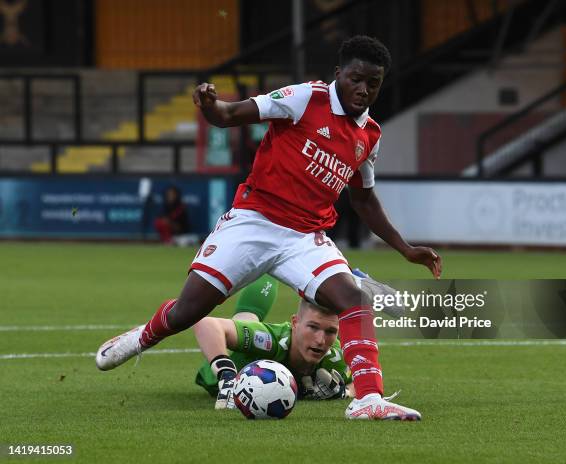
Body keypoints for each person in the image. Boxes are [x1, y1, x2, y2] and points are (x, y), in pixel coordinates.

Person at [96, 35, 442, 421]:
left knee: (353, 299)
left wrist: (404, 247)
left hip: (305, 238)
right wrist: (210, 105)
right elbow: (228, 116)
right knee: (187, 313)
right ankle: (140, 338)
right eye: (356, 79)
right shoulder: (304, 99)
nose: (363, 90)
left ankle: (367, 399)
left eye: (373, 83)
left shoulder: (368, 135)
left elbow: (363, 199)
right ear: (338, 74)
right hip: (254, 223)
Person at [194, 275, 354, 410]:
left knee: (247, 321)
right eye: (313, 327)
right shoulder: (274, 341)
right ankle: (267, 268)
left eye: (331, 331)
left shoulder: (336, 356)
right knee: (245, 321)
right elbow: (206, 324)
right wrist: (227, 376)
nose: (320, 340)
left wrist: (344, 392)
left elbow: (361, 383)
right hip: (219, 377)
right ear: (295, 323)